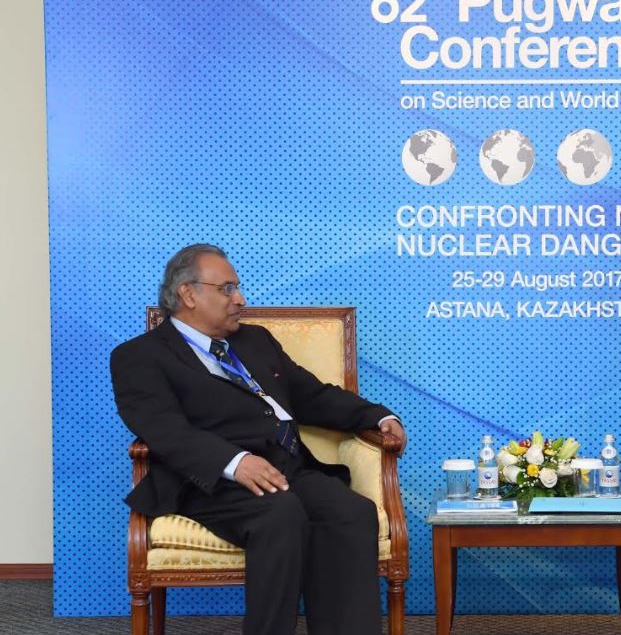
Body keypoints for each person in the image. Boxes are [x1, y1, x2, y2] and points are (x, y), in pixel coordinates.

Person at [111, 243, 406, 635]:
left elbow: (311, 396)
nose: (240, 299)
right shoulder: (139, 356)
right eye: (227, 289)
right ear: (188, 294)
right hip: (209, 482)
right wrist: (234, 463)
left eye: (237, 288)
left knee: (350, 511)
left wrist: (378, 415)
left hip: (286, 469)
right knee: (280, 514)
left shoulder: (255, 341)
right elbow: (165, 429)